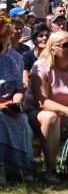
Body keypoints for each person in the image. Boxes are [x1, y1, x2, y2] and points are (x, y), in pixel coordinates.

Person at [23, 31, 68, 184]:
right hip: (37, 113)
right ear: (53, 49)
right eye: (66, 45)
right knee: (51, 117)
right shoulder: (40, 66)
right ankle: (51, 170)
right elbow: (42, 102)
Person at [0, 42, 34, 184]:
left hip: (8, 103)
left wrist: (17, 103)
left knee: (20, 121)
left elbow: (19, 88)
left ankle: (20, 168)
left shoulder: (9, 61)